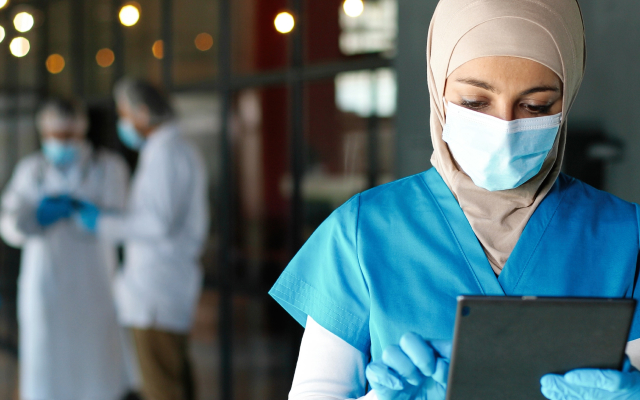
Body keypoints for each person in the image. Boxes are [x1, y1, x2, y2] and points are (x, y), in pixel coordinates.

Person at [268, 0, 640, 399]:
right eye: (475, 103)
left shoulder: (625, 238)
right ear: (437, 86)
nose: (504, 128)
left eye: (535, 106)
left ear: (566, 101)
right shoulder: (361, 233)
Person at [76, 78, 209, 400]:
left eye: (125, 114)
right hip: (163, 288)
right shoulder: (169, 151)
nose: (124, 123)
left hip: (157, 293)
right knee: (173, 378)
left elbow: (156, 223)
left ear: (143, 112)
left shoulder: (167, 155)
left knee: (161, 386)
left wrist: (103, 222)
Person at [0, 98, 131, 400]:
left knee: (96, 369)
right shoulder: (31, 170)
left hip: (94, 286)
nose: (59, 143)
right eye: (54, 137)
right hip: (46, 285)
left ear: (81, 131)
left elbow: (126, 224)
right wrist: (33, 219)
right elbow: (8, 223)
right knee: (46, 369)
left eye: (66, 137)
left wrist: (98, 219)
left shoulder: (108, 168)